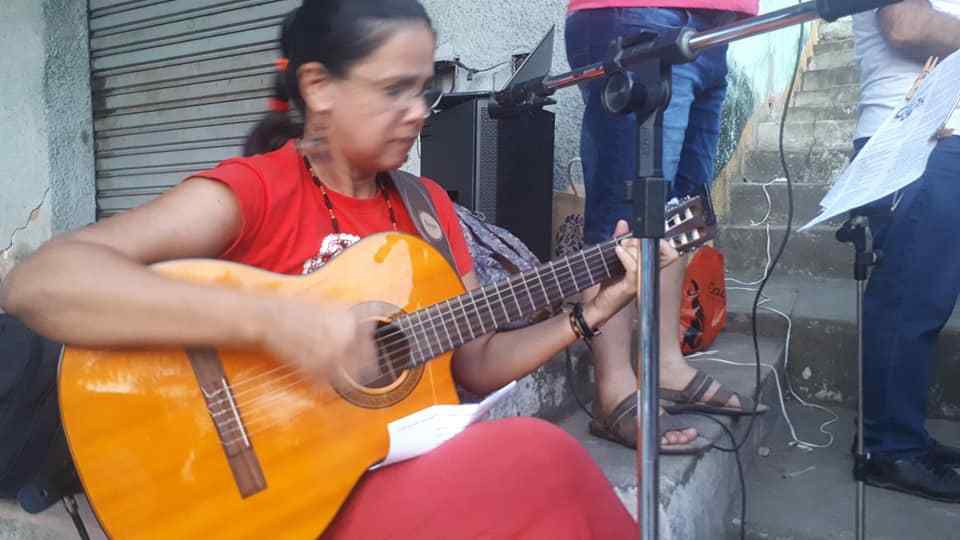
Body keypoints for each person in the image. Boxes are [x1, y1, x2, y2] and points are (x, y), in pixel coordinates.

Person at [0, 1, 704, 536]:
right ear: (320, 88)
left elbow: (476, 361)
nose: (419, 113)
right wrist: (273, 319)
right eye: (394, 89)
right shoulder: (259, 190)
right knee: (540, 459)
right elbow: (40, 283)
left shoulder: (429, 210)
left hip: (372, 473)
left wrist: (584, 314)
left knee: (542, 478)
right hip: (274, 497)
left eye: (427, 89)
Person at [564, 0, 767, 449]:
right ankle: (614, 388)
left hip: (719, 27)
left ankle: (667, 366)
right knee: (622, 213)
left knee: (677, 212)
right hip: (637, 14)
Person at [851, 0, 960, 502]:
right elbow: (905, 25)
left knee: (924, 299)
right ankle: (888, 449)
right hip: (915, 137)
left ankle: (899, 434)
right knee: (908, 300)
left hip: (928, 137)